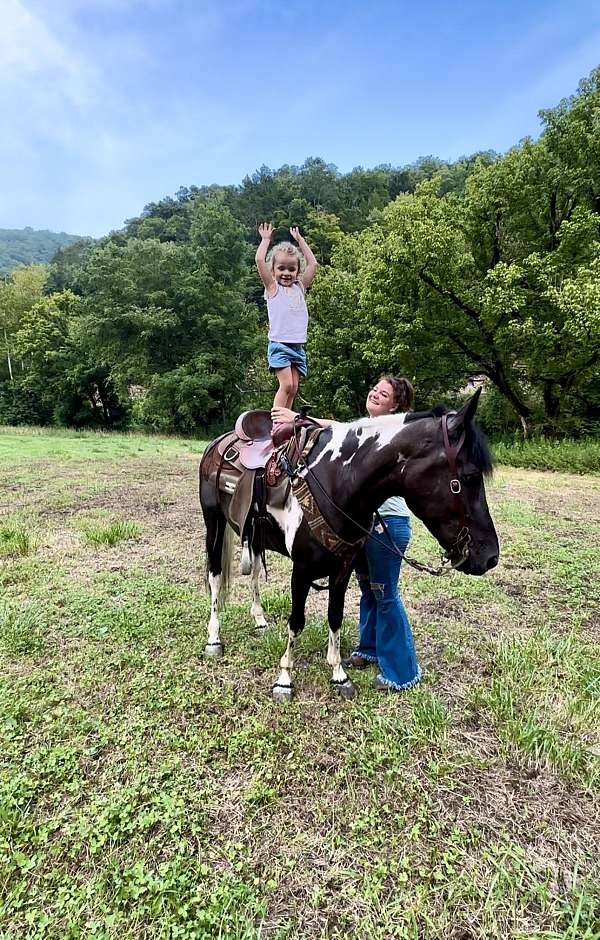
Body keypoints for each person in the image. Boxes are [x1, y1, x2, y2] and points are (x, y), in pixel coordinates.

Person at [272, 376, 421, 693]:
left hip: (387, 524)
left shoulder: (391, 432)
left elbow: (338, 428)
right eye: (375, 388)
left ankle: (401, 671)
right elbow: (336, 425)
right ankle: (368, 649)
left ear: (396, 405)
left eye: (384, 393)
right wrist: (301, 421)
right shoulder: (368, 427)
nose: (375, 393)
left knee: (385, 594)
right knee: (368, 590)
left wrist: (298, 419)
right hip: (363, 524)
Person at [255, 223, 318, 412]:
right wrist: (266, 240)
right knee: (287, 386)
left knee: (294, 389)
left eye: (291, 269)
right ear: (273, 270)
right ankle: (275, 422)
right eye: (281, 268)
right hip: (279, 345)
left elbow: (313, 263)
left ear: (297, 272)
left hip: (297, 346)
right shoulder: (273, 289)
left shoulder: (299, 287)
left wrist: (300, 240)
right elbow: (259, 260)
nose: (286, 273)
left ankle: (287, 421)